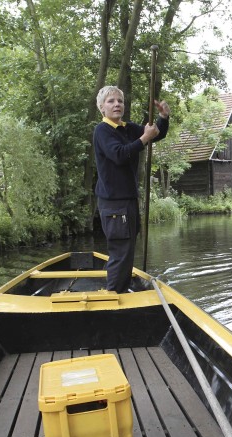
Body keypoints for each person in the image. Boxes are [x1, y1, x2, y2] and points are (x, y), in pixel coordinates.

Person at [93, 85, 170, 293]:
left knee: (127, 249)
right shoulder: (102, 130)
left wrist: (163, 117)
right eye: (111, 101)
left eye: (120, 101)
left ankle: (122, 289)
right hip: (113, 202)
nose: (117, 104)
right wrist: (143, 139)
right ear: (102, 107)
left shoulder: (127, 128)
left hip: (128, 199)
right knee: (120, 250)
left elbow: (156, 134)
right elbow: (118, 154)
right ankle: (114, 295)